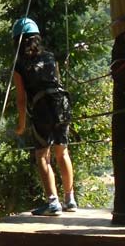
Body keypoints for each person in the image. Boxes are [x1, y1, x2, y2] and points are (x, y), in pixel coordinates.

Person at [11, 18, 76, 216]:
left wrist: (21, 125)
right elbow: (57, 81)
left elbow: (21, 99)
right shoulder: (50, 57)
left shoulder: (19, 64)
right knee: (62, 152)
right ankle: (70, 199)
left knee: (42, 155)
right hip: (61, 104)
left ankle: (53, 202)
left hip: (42, 108)